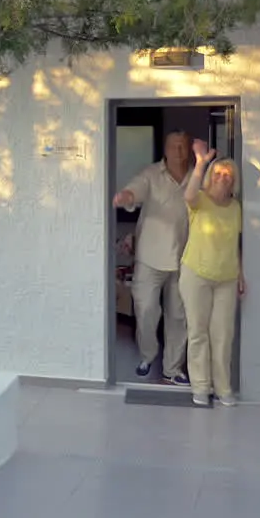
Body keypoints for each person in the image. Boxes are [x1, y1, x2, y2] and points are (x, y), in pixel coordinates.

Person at [112, 130, 195, 385]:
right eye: (173, 146)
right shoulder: (151, 174)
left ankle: (172, 368)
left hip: (185, 257)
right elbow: (135, 190)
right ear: (165, 149)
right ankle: (147, 356)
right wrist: (126, 196)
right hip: (149, 256)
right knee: (146, 309)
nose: (178, 151)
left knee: (178, 316)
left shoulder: (197, 176)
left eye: (182, 146)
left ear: (189, 148)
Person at [179, 140, 246, 407]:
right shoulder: (200, 200)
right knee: (198, 332)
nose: (222, 178)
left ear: (233, 181)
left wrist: (241, 274)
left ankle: (223, 387)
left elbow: (235, 244)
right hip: (196, 274)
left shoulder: (235, 208)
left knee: (223, 335)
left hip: (226, 278)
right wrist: (200, 163)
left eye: (227, 175)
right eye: (217, 174)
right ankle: (200, 387)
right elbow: (188, 195)